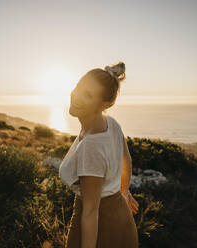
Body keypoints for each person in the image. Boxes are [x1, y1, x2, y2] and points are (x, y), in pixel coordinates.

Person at [58, 62, 139, 248]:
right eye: (79, 87)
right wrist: (123, 191)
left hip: (100, 229)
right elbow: (127, 161)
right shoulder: (111, 124)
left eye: (87, 95)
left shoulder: (90, 146)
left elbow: (90, 211)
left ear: (105, 104)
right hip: (120, 217)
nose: (76, 96)